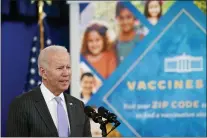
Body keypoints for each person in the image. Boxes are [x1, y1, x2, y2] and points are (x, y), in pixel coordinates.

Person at [6, 46, 92, 137]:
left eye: (68, 67)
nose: (66, 73)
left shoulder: (79, 106)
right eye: (60, 68)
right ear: (43, 72)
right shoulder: (22, 105)